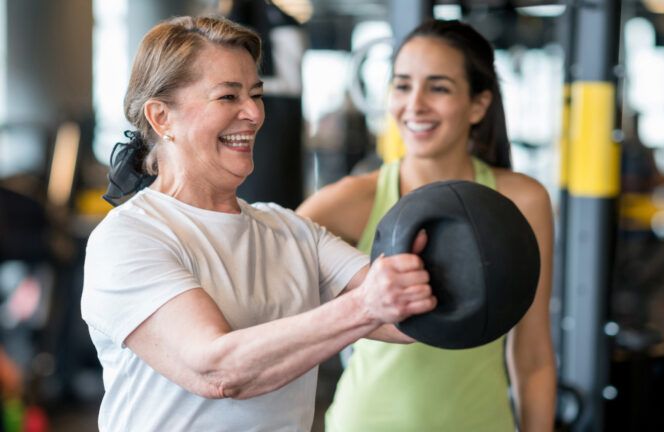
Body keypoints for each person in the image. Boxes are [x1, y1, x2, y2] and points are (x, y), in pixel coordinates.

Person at [80, 15, 436, 431]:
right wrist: (363, 305)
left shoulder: (292, 231)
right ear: (161, 117)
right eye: (228, 97)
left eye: (256, 94)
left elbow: (402, 317)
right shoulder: (130, 237)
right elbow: (216, 369)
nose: (252, 113)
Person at [298, 19, 556, 432]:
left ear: (478, 104)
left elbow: (533, 355)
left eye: (438, 87)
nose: (414, 105)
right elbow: (272, 293)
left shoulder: (523, 201)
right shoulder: (350, 201)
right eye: (402, 86)